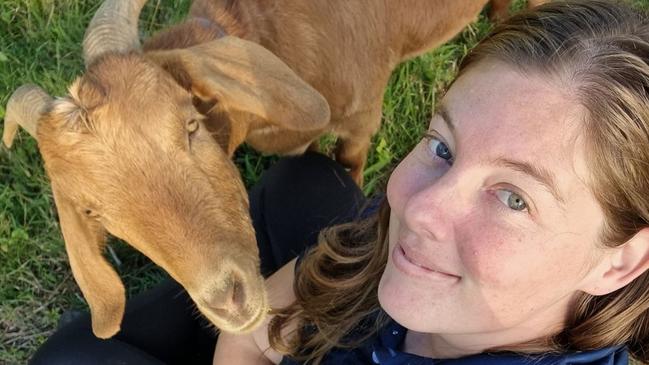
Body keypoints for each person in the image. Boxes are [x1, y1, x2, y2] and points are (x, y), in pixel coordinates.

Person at [30, 0, 649, 364]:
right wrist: (250, 340)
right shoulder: (383, 245)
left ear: (621, 262)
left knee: (69, 356)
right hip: (338, 306)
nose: (416, 205)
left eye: (516, 198)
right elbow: (302, 296)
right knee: (308, 176)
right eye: (441, 145)